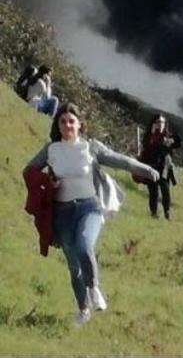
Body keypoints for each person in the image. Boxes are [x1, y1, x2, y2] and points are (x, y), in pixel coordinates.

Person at [24, 103, 159, 326]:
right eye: (62, 121)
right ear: (58, 125)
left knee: (84, 245)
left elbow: (120, 160)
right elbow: (29, 170)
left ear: (79, 125)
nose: (67, 125)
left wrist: (145, 169)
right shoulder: (51, 150)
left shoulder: (90, 147)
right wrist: (48, 182)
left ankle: (94, 288)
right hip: (63, 212)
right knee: (73, 264)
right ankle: (83, 310)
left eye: (71, 121)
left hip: (89, 207)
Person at [140, 114, 181, 220]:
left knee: (165, 190)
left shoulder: (168, 136)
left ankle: (167, 213)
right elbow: (145, 146)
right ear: (154, 123)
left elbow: (177, 143)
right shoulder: (149, 135)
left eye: (162, 122)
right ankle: (153, 213)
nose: (160, 124)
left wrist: (170, 142)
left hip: (164, 167)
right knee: (153, 191)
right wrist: (151, 134)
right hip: (151, 165)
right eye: (158, 122)